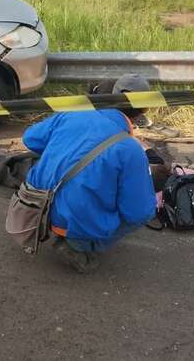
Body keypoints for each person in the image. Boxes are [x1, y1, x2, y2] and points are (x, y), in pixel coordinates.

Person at [22, 74, 158, 273]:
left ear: (112, 94)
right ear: (144, 110)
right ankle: (79, 246)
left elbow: (30, 139)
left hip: (36, 203)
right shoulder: (131, 150)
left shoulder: (71, 114)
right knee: (144, 209)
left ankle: (57, 225)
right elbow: (138, 212)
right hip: (73, 217)